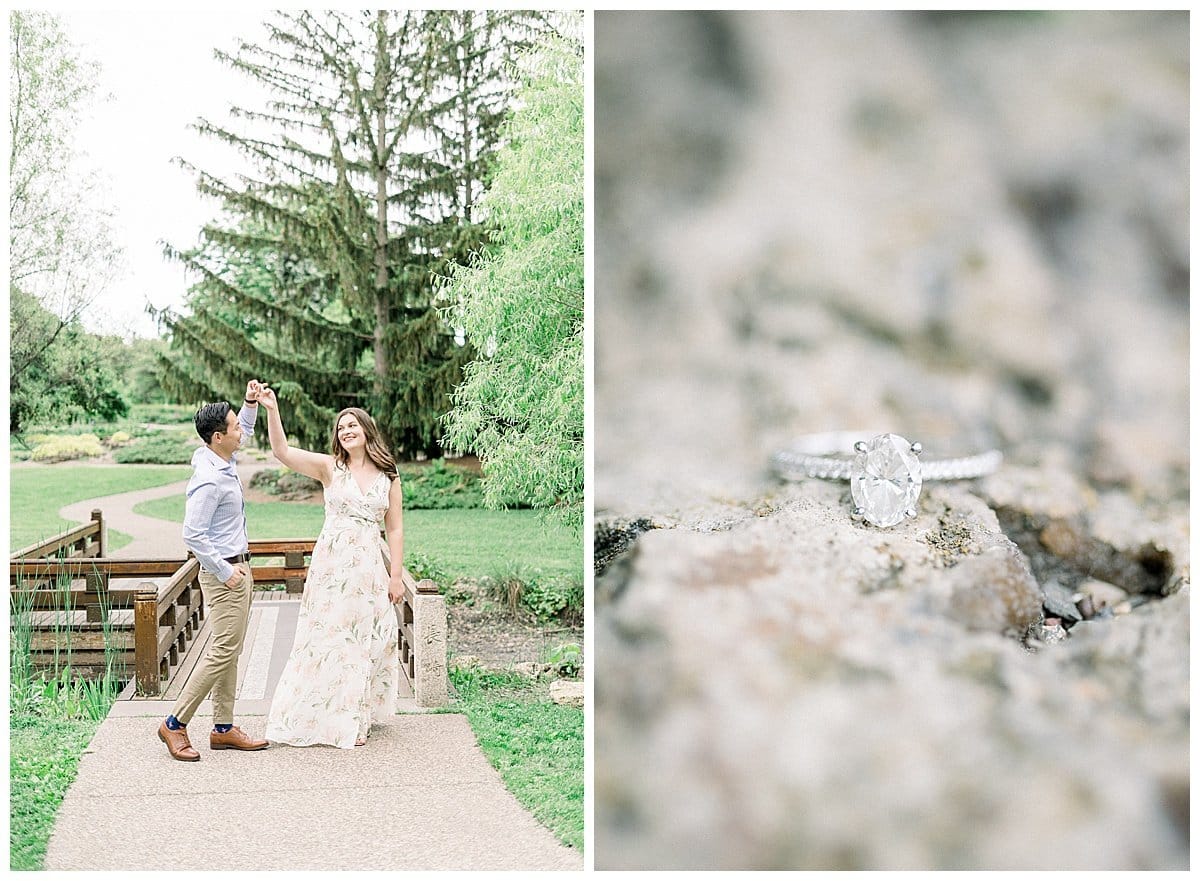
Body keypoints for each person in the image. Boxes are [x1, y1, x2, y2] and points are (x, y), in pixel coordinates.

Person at [258, 386, 404, 748]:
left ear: (367, 430)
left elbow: (396, 526)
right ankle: (327, 715)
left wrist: (397, 574)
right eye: (341, 428)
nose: (346, 431)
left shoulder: (389, 474)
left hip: (368, 567)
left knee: (366, 638)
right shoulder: (329, 467)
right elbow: (282, 451)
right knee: (329, 637)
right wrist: (272, 409)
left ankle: (357, 712)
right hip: (332, 567)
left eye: (352, 425)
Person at [158, 381, 270, 761]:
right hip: (227, 576)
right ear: (219, 436)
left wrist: (250, 403)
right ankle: (174, 723)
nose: (243, 432)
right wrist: (226, 572)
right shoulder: (208, 480)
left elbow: (247, 429)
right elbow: (192, 534)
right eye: (236, 427)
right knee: (222, 650)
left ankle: (223, 729)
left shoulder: (221, 458)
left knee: (229, 650)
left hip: (237, 569)